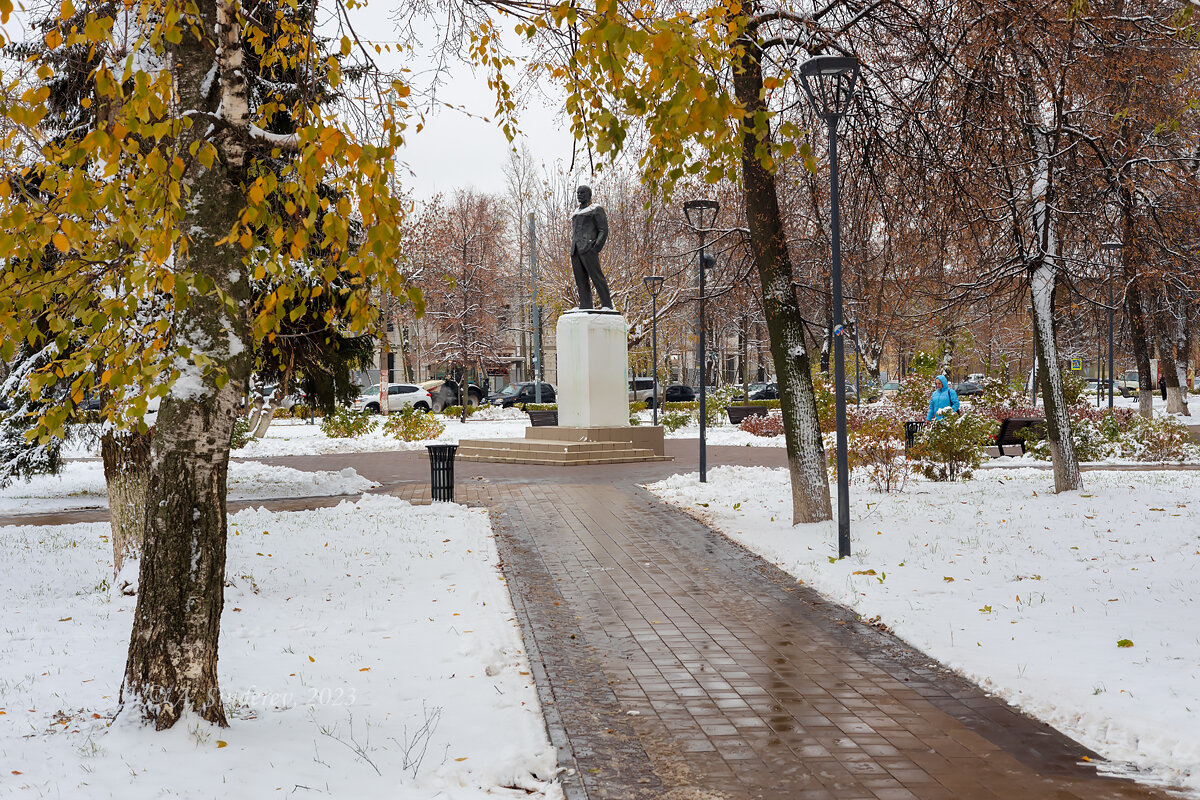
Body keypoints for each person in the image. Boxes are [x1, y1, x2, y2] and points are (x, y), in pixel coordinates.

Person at [569, 184, 612, 310]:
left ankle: (607, 304)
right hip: (575, 250)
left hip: (589, 248)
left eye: (582, 192)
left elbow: (603, 230)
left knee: (597, 277)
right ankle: (585, 305)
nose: (579, 195)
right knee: (580, 280)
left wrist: (596, 247)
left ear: (589, 195)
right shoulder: (576, 213)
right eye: (578, 193)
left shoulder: (596, 209)